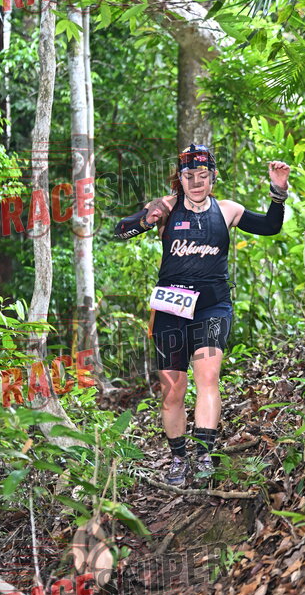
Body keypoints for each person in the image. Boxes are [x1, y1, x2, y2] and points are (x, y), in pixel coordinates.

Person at [114, 144, 290, 487]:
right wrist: (145, 220)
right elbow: (121, 230)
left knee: (207, 377)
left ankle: (204, 454)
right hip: (171, 309)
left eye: (203, 175)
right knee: (173, 390)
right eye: (189, 175)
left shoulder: (227, 210)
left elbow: (270, 226)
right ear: (180, 178)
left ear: (213, 177)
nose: (196, 182)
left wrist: (278, 190)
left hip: (212, 307)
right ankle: (179, 458)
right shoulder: (167, 207)